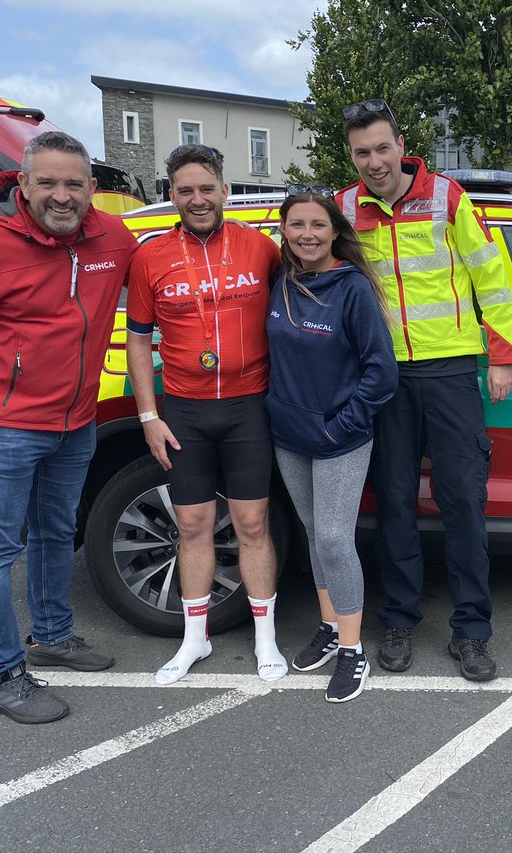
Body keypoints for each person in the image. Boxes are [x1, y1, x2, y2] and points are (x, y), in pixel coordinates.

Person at [0, 132, 135, 723]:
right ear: (24, 185)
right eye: (48, 184)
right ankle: (1, 675)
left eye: (74, 185)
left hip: (77, 420)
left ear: (92, 189)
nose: (62, 197)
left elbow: (162, 282)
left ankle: (53, 635)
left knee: (57, 533)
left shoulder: (113, 237)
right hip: (0, 425)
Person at [336, 99, 512, 682]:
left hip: (448, 371)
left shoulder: (446, 198)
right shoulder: (342, 207)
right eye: (362, 152)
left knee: (463, 500)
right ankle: (398, 619)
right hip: (382, 375)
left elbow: (491, 275)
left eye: (382, 148)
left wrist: (502, 354)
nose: (374, 161)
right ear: (352, 155)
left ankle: (471, 631)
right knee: (393, 502)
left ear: (400, 144)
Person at [126, 143, 285, 685]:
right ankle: (195, 639)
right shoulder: (149, 256)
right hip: (186, 410)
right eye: (185, 190)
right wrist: (149, 415)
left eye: (207, 188)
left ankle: (266, 636)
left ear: (225, 189)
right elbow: (138, 340)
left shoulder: (261, 248)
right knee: (191, 524)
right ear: (171, 194)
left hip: (248, 406)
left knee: (252, 523)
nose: (198, 199)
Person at [267, 186, 398, 703]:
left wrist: (340, 426)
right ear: (284, 231)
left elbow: (381, 373)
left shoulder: (352, 289)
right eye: (296, 225)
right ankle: (328, 625)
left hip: (338, 437)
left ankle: (352, 650)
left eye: (317, 225)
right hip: (288, 434)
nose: (307, 234)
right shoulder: (280, 283)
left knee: (337, 540)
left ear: (335, 231)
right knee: (313, 531)